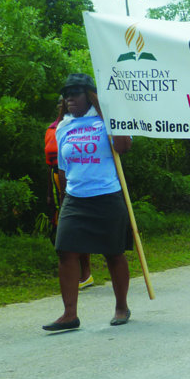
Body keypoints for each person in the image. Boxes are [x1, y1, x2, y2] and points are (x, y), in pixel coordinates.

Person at [43, 73, 133, 331]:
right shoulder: (63, 126)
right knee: (65, 251)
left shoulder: (105, 121)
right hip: (75, 198)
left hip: (106, 195)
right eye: (67, 93)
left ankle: (121, 306)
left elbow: (124, 148)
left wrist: (113, 118)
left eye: (76, 92)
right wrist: (62, 201)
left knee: (113, 253)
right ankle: (69, 314)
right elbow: (62, 167)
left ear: (89, 96)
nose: (69, 97)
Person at [45, 99, 93, 289]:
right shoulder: (52, 129)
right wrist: (49, 191)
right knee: (60, 225)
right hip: (56, 176)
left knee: (79, 225)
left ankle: (86, 273)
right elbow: (48, 162)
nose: (60, 106)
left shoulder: (79, 126)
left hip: (74, 177)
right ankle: (70, 270)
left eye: (63, 103)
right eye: (58, 103)